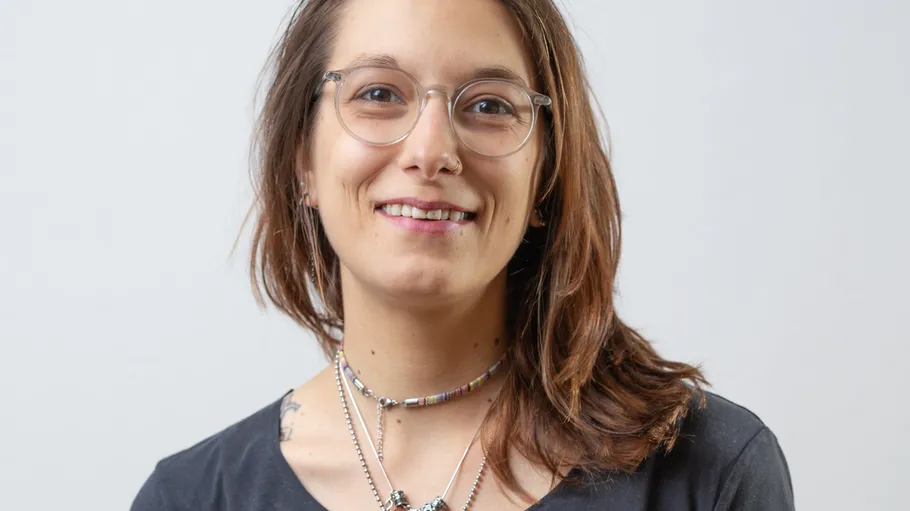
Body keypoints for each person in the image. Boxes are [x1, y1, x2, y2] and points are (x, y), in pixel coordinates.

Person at [131, 0, 794, 509]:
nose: (431, 150)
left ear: (545, 173)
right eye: (379, 94)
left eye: (488, 105)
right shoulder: (190, 496)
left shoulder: (709, 471)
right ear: (303, 157)